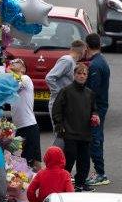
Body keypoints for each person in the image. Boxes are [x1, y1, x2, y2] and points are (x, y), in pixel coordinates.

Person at [51, 64, 98, 192]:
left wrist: (95, 116)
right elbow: (56, 110)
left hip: (85, 133)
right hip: (70, 133)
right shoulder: (66, 91)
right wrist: (59, 125)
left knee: (84, 161)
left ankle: (80, 183)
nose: (82, 76)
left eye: (84, 74)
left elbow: (94, 109)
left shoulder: (90, 93)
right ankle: (63, 184)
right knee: (68, 160)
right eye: (79, 73)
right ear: (74, 75)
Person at [83, 34, 110, 187]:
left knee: (95, 139)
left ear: (87, 46)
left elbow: (92, 91)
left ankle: (100, 173)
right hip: (100, 106)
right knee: (96, 138)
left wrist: (92, 111)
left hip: (96, 108)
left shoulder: (95, 65)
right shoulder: (101, 61)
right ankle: (99, 171)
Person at [45, 39, 86, 131]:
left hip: (66, 104)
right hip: (58, 105)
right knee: (60, 135)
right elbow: (49, 77)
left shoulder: (72, 62)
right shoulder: (67, 61)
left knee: (67, 135)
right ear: (82, 51)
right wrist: (59, 93)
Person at [9, 59, 41, 169]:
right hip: (19, 126)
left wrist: (8, 74)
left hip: (29, 125)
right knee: (23, 160)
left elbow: (13, 86)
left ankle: (45, 183)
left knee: (35, 161)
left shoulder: (25, 78)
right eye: (12, 61)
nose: (13, 62)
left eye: (18, 62)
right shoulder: (12, 79)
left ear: (23, 69)